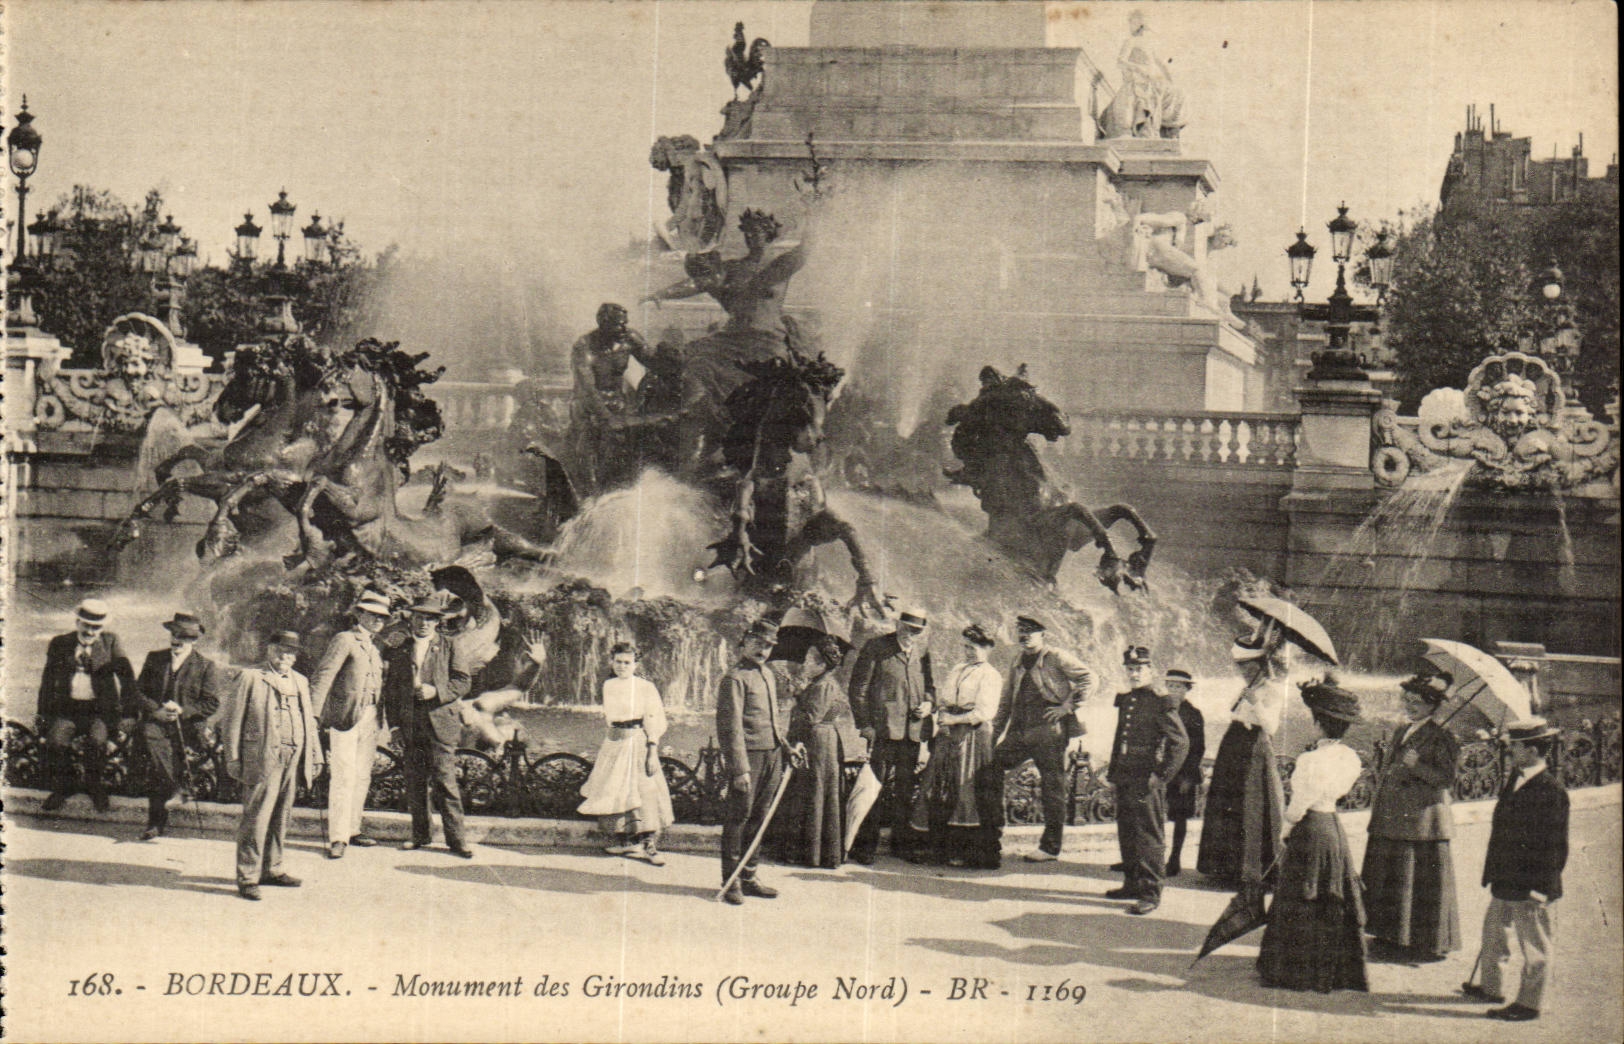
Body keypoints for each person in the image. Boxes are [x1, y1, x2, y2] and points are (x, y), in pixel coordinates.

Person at [1256, 677, 1369, 993]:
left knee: (1302, 892)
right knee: (1331, 890)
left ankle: (1294, 969)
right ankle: (1334, 967)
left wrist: (1287, 827)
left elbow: (1301, 801)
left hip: (1311, 828)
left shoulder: (1310, 760)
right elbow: (1338, 791)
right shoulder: (1350, 758)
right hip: (1333, 826)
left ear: (1319, 723)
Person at [1462, 717, 1569, 1023]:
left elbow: (1555, 846)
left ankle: (1529, 1004)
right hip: (1505, 877)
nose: (1509, 752)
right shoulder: (1516, 777)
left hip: (1530, 884)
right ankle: (1491, 987)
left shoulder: (1552, 790)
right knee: (1494, 934)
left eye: (1515, 747)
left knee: (1534, 945)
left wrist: (1542, 889)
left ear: (1534, 751)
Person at [975, 615, 1094, 866]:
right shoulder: (1017, 660)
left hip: (1049, 732)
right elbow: (1006, 701)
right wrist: (993, 737)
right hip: (1019, 732)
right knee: (990, 769)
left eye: (1031, 631)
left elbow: (1089, 678)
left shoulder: (1056, 657)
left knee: (1052, 786)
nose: (1025, 636)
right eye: (1022, 632)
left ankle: (1050, 847)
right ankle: (991, 836)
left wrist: (1067, 706)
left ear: (1043, 634)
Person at [1363, 671, 1462, 962]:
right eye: (1408, 700)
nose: (1410, 706)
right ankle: (1390, 936)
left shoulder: (1443, 737)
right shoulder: (1401, 730)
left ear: (1433, 706)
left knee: (1412, 878)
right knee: (1392, 876)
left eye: (1417, 702)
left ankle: (1419, 942)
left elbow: (1447, 778)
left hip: (1420, 821)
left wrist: (1417, 765)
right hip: (1393, 817)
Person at [225, 631, 323, 902]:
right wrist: (232, 757)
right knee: (256, 818)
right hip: (262, 756)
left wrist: (315, 756)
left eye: (291, 653)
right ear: (269, 650)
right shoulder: (250, 677)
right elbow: (232, 720)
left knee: (282, 815)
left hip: (294, 755)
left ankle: (273, 869)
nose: (285, 657)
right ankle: (248, 877)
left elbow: (309, 723)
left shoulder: (301, 681)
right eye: (280, 651)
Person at [716, 618, 806, 904]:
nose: (763, 650)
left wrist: (787, 748)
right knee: (738, 818)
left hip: (772, 756)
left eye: (768, 646)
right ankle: (731, 881)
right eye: (758, 643)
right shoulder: (735, 678)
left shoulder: (767, 674)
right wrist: (739, 769)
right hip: (750, 758)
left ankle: (749, 876)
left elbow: (773, 720)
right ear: (745, 641)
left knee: (760, 818)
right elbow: (730, 729)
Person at [1198, 613, 1290, 888]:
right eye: (1241, 667)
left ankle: (1252, 870)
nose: (1244, 671)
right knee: (1228, 804)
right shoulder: (1245, 687)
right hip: (1234, 745)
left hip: (1254, 748)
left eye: (1248, 667)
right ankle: (1224, 868)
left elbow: (1271, 726)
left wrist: (1255, 703)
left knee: (1250, 806)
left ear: (1261, 664)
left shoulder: (1272, 691)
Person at [384, 591, 474, 859]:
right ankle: (420, 835)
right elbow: (391, 692)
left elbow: (463, 681)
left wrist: (438, 692)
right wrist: (395, 727)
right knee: (415, 783)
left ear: (438, 622)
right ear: (411, 619)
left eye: (430, 619)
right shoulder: (401, 649)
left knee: (446, 782)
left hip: (440, 723)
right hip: (411, 725)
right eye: (419, 617)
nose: (423, 623)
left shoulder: (450, 646)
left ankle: (457, 841)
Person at [909, 624, 1003, 868]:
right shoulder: (958, 669)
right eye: (965, 647)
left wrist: (955, 719)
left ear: (988, 648)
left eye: (973, 648)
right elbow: (946, 699)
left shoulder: (990, 675)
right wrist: (942, 715)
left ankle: (965, 851)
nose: (968, 652)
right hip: (949, 731)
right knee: (936, 783)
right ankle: (935, 847)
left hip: (972, 735)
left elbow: (985, 711)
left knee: (965, 789)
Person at [847, 608, 935, 864]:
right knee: (875, 788)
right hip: (883, 731)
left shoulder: (923, 652)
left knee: (905, 790)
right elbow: (858, 688)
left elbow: (931, 687)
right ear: (898, 625)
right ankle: (864, 847)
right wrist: (864, 724)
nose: (912, 635)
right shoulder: (876, 647)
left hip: (912, 732)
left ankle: (901, 845)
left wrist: (929, 705)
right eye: (908, 629)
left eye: (917, 631)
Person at [1106, 646, 1188, 915]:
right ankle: (1131, 883)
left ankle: (1151, 893)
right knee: (1127, 830)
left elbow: (1180, 743)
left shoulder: (1159, 701)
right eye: (1129, 669)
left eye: (1139, 669)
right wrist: (1114, 771)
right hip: (1126, 773)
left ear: (1150, 671)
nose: (1133, 674)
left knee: (1149, 834)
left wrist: (1161, 775)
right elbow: (1121, 738)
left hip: (1146, 776)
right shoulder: (1128, 700)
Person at [310, 590, 391, 859]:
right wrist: (312, 715)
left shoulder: (378, 645)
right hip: (346, 717)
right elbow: (324, 676)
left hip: (371, 718)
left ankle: (353, 828)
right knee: (343, 776)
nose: (378, 620)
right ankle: (338, 837)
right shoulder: (344, 639)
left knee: (362, 775)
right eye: (372, 614)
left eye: (382, 616)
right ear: (359, 614)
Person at [577, 642, 675, 865]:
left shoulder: (645, 687)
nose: (622, 666)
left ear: (635, 664)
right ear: (611, 662)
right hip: (614, 741)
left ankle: (650, 845)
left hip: (637, 741)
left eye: (627, 663)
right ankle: (627, 841)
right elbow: (611, 717)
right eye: (618, 661)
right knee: (615, 789)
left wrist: (652, 749)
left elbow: (654, 718)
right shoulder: (609, 685)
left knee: (644, 792)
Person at [133, 611, 226, 840]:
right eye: (174, 634)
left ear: (194, 641)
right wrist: (157, 710)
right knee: (150, 736)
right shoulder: (155, 658)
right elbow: (138, 692)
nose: (176, 640)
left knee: (160, 764)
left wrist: (183, 710)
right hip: (158, 721)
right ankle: (177, 793)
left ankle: (157, 822)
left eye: (183, 637)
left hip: (188, 728)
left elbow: (211, 703)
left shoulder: (205, 666)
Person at [38, 598, 137, 813]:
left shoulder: (111, 642)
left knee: (97, 741)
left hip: (98, 711)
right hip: (70, 709)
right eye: (87, 626)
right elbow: (47, 681)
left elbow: (127, 678)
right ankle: (65, 785)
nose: (91, 632)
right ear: (77, 623)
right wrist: (42, 714)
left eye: (96, 627)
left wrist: (129, 713)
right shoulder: (60, 643)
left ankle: (95, 785)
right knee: (55, 741)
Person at [785, 633, 863, 869]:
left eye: (811, 660)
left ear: (822, 664)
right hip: (821, 741)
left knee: (816, 793)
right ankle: (812, 852)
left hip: (818, 743)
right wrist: (799, 694)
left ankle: (813, 854)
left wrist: (794, 704)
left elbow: (811, 717)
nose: (806, 664)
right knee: (814, 793)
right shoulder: (821, 683)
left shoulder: (825, 685)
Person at [1162, 667, 1205, 877]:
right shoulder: (1159, 708)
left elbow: (1198, 748)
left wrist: (1188, 777)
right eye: (1170, 686)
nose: (1173, 690)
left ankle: (1175, 858)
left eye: (1178, 687)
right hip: (1160, 770)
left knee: (1180, 818)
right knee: (1155, 815)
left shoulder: (1193, 714)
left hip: (1182, 773)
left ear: (1186, 689)